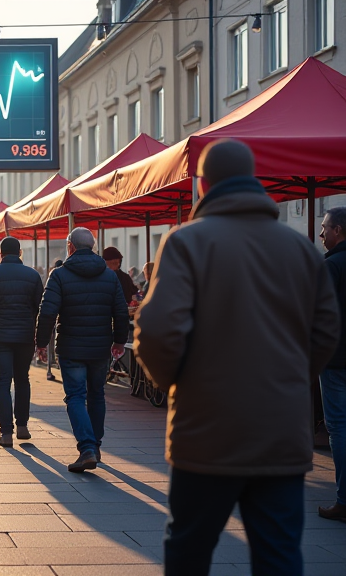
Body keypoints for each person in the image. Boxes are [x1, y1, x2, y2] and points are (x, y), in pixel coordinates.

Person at [134, 139, 339, 575]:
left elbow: (155, 331)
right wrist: (291, 379)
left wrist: (176, 384)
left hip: (205, 427)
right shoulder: (300, 249)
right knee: (280, 551)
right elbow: (326, 331)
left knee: (190, 547)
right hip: (281, 426)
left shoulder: (187, 242)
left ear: (204, 183)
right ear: (255, 180)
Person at [36, 227, 128, 473]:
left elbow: (47, 312)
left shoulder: (59, 275)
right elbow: (120, 311)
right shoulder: (110, 276)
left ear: (70, 247)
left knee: (76, 396)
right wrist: (119, 340)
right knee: (97, 394)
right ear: (93, 247)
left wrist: (40, 342)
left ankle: (87, 447)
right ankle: (95, 446)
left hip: (71, 346)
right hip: (100, 347)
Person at [0, 238, 44, 447]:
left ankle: (6, 433)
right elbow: (40, 305)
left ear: (0, 253)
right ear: (20, 253)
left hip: (0, 336)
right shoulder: (33, 275)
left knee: (2, 382)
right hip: (24, 336)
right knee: (22, 379)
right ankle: (22, 427)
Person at [319, 207, 346, 523]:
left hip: (336, 358)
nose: (322, 233)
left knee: (338, 427)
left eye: (325, 228)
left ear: (338, 230)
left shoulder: (332, 266)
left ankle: (343, 499)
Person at [45, 259, 64, 381]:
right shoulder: (60, 277)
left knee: (50, 343)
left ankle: (49, 367)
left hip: (53, 318)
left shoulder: (52, 278)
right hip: (58, 319)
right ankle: (53, 364)